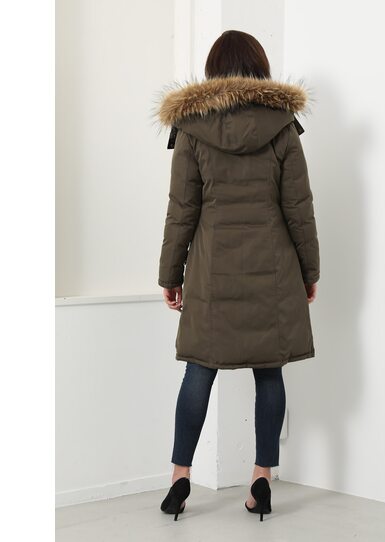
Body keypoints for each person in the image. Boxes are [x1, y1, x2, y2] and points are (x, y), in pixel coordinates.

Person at [155, 30, 320, 521]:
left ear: (214, 70)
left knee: (198, 370)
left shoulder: (192, 128)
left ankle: (180, 478)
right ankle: (261, 478)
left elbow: (182, 211)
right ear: (259, 67)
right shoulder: (282, 126)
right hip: (273, 273)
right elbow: (299, 209)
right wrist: (309, 270)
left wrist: (170, 274)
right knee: (269, 372)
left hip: (211, 274)